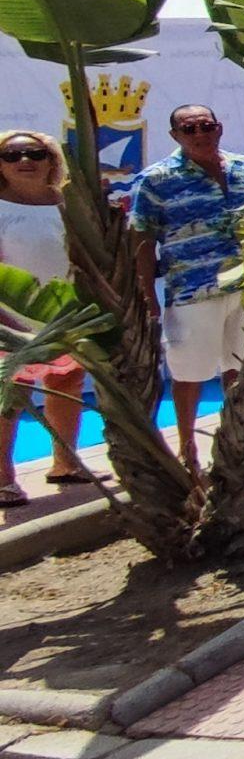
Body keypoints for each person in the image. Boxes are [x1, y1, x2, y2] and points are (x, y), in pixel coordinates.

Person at [129, 104, 244, 471]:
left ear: (219, 128)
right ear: (175, 135)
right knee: (189, 373)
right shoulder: (156, 180)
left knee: (240, 368)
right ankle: (187, 448)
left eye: (206, 126)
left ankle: (236, 445)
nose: (199, 134)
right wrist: (146, 295)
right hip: (192, 290)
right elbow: (142, 239)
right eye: (189, 129)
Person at [0, 130, 94, 502]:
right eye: (12, 155)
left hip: (66, 314)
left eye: (35, 153)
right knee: (11, 395)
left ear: (51, 159)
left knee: (67, 383)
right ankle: (3, 478)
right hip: (11, 320)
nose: (25, 161)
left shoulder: (69, 204)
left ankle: (65, 464)